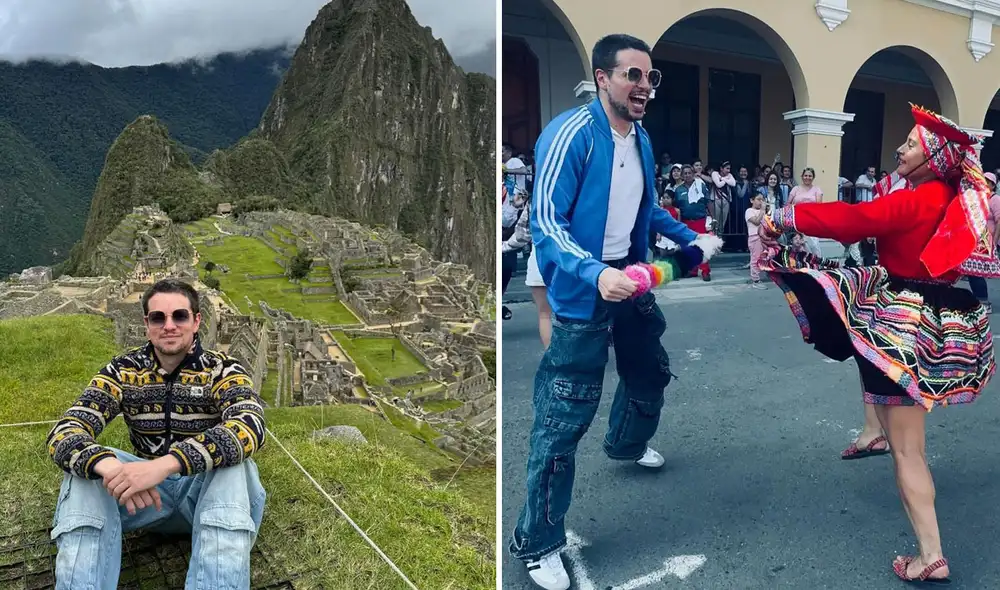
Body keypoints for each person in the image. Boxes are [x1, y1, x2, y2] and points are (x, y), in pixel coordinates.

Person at [509, 33, 722, 590]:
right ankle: (538, 542)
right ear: (603, 78)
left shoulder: (642, 139)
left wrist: (692, 238)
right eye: (632, 75)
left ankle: (626, 443)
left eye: (649, 77)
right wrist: (595, 274)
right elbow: (547, 226)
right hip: (585, 289)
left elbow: (646, 207)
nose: (643, 87)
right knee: (563, 418)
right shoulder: (571, 134)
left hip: (628, 279)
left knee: (649, 369)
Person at [758, 104, 999, 584]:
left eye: (911, 144)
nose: (901, 148)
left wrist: (784, 216)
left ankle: (931, 554)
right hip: (933, 321)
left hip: (902, 323)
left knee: (908, 450)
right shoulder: (948, 199)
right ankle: (926, 543)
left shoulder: (921, 200)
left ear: (933, 156)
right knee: (904, 444)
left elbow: (854, 218)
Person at [47, 278, 267, 589]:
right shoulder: (122, 371)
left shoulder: (223, 371)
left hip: (205, 492)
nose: (169, 326)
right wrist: (108, 466)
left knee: (234, 468)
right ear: (146, 323)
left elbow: (249, 425)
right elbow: (66, 430)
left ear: (196, 321)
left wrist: (163, 466)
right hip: (145, 499)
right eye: (158, 317)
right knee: (85, 472)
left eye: (179, 316)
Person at [502, 193, 553, 348]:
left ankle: (554, 363)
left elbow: (523, 234)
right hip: (574, 260)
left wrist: (503, 247)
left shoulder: (538, 196)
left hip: (541, 259)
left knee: (545, 315)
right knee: (575, 317)